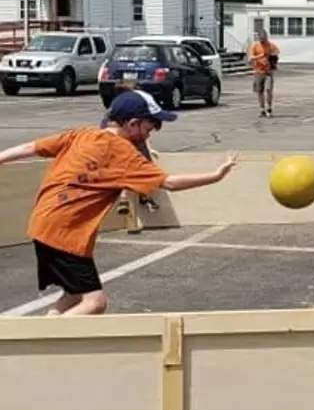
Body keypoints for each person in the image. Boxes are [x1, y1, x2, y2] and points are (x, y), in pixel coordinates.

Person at [0, 89, 238, 316]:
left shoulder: (83, 134)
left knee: (74, 294)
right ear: (133, 124)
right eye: (151, 125)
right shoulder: (125, 155)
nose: (152, 132)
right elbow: (170, 183)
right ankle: (43, 342)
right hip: (66, 232)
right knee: (95, 303)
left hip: (44, 223)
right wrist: (215, 176)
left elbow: (31, 147)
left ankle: (49, 328)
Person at [100, 82, 160, 214]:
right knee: (138, 168)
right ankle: (141, 196)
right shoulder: (131, 111)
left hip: (118, 144)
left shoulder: (112, 110)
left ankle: (129, 198)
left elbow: (103, 128)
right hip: (126, 143)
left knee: (125, 170)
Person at [247, 29, 280, 118]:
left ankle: (269, 107)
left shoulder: (270, 45)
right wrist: (260, 56)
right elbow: (250, 58)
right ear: (259, 38)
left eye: (264, 38)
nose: (263, 40)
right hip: (258, 71)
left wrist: (272, 55)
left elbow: (277, 52)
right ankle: (262, 109)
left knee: (269, 90)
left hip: (268, 72)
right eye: (261, 39)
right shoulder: (255, 45)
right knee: (259, 91)